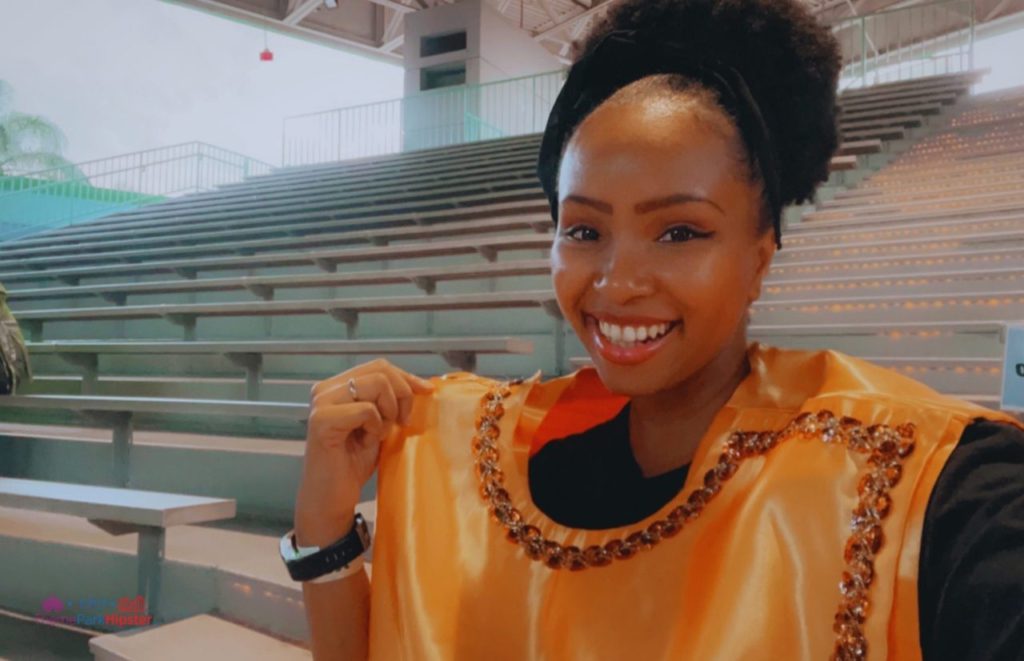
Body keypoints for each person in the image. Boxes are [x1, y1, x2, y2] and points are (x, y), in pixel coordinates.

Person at [289, 0, 1024, 659]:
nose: (616, 281)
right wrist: (325, 532)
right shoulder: (494, 459)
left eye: (678, 231)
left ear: (759, 254)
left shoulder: (933, 485)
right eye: (583, 229)